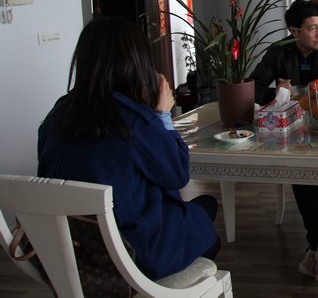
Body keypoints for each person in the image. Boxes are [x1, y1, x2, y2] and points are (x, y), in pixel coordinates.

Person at [37, 17, 220, 281]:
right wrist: (162, 115)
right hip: (131, 255)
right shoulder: (134, 120)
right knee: (206, 217)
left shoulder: (58, 113)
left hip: (73, 248)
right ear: (136, 62)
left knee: (202, 208)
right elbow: (178, 174)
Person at [249, 0, 318, 281]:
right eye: (312, 28)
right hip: (292, 128)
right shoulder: (278, 51)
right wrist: (276, 93)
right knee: (298, 169)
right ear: (294, 32)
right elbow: (253, 87)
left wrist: (294, 92)